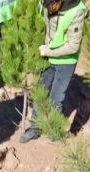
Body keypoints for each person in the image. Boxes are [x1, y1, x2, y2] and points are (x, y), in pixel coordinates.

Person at [20, 0, 87, 143]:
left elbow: (73, 46)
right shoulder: (46, 3)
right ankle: (35, 128)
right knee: (40, 92)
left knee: (56, 98)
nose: (49, 10)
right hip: (47, 56)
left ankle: (54, 129)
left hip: (66, 61)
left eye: (52, 6)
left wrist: (49, 51)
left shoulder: (76, 12)